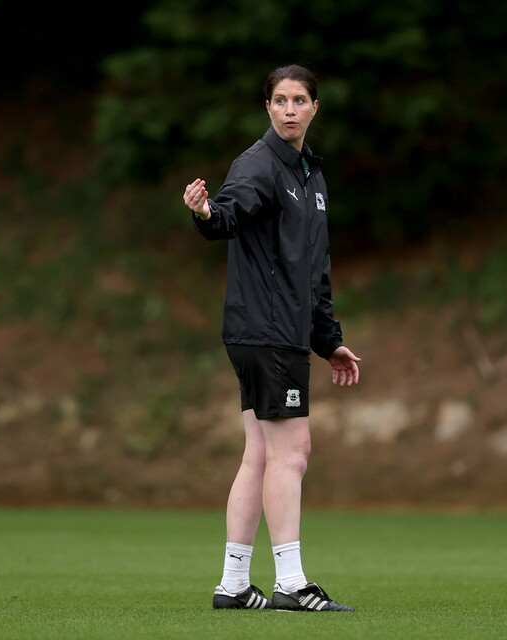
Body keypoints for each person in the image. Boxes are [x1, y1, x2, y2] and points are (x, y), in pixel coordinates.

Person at [183, 65, 360, 612]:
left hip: (270, 332)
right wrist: (207, 212)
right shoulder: (259, 165)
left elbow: (315, 272)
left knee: (259, 456)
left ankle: (234, 585)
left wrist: (328, 341)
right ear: (267, 108)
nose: (289, 109)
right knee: (293, 453)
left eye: (299, 100)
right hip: (265, 332)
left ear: (314, 108)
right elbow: (229, 213)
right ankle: (291, 584)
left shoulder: (311, 177)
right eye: (279, 100)